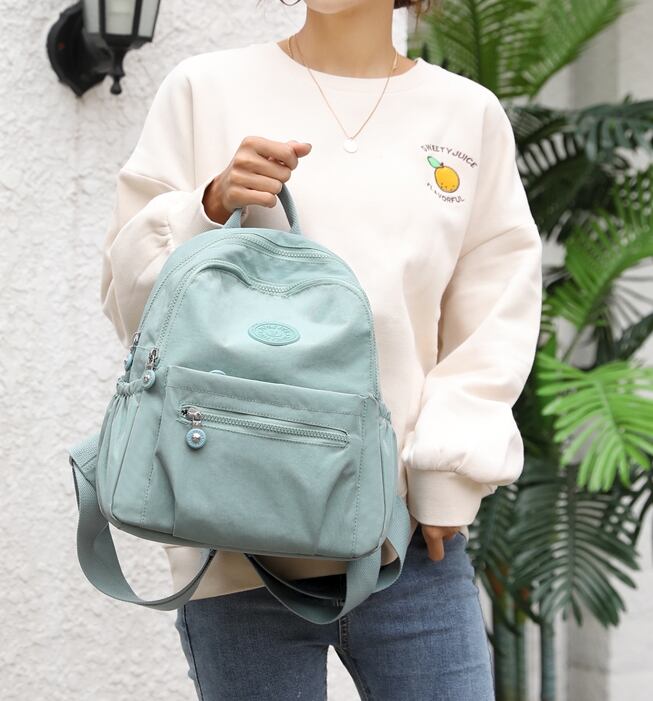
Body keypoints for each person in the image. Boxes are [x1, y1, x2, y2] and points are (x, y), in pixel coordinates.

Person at [99, 0, 543, 698]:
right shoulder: (203, 89)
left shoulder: (466, 115)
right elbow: (130, 303)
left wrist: (447, 476)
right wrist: (207, 207)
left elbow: (493, 313)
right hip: (235, 541)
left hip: (405, 541)